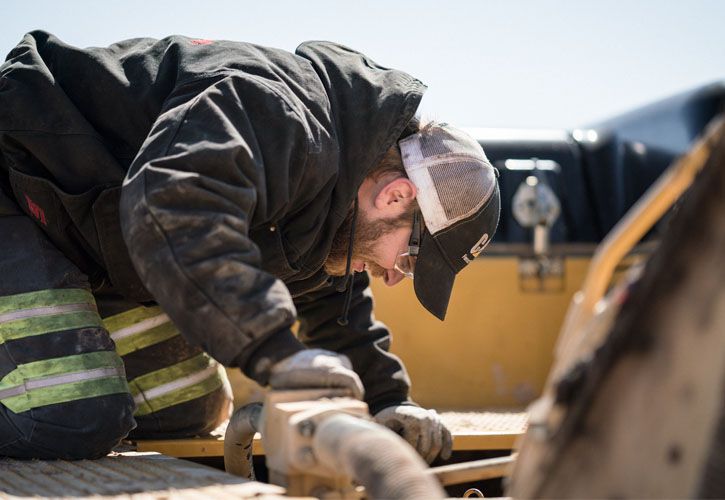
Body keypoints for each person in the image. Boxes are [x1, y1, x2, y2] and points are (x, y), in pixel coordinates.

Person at [0, 31, 500, 463]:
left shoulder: (337, 199)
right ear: (397, 196)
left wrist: (390, 400)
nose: (394, 276)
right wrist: (277, 354)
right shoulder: (275, 117)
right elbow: (171, 207)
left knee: (187, 407)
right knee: (71, 417)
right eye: (411, 258)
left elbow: (330, 302)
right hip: (15, 190)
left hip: (85, 240)